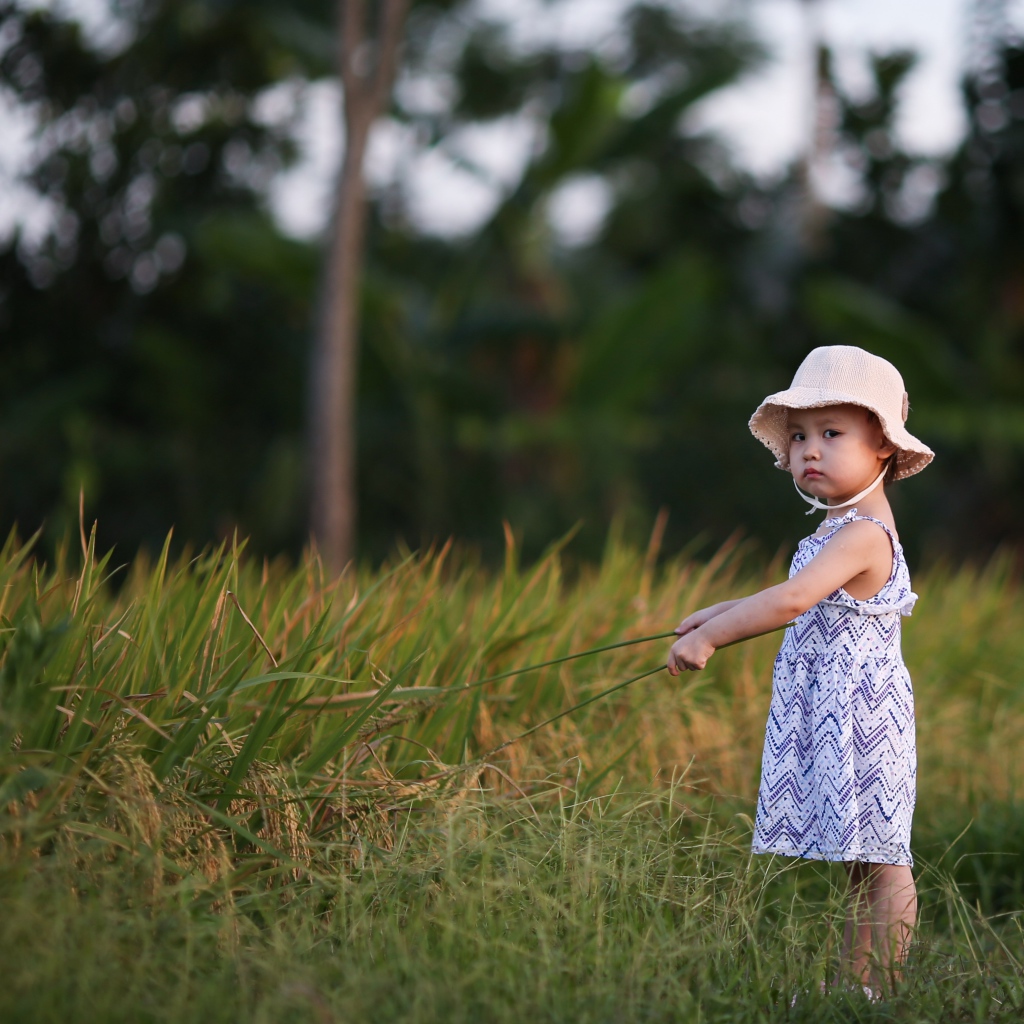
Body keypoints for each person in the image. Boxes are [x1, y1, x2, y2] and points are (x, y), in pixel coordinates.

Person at [666, 345, 934, 997]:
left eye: (832, 434)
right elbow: (800, 597)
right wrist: (716, 614)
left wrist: (714, 640)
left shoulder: (864, 534)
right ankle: (854, 983)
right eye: (800, 436)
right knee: (859, 864)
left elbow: (790, 603)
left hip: (864, 724)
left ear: (882, 448)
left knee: (884, 861)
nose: (810, 449)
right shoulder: (838, 529)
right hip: (839, 717)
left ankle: (885, 989)